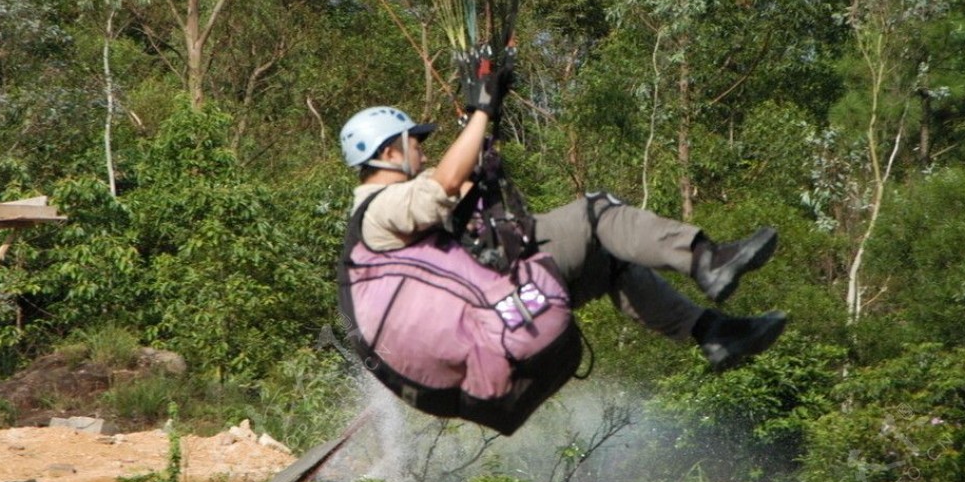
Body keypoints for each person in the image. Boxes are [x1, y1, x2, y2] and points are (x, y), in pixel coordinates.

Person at [335, 68, 788, 433]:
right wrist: (480, 111)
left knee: (612, 261)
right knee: (598, 214)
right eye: (414, 142)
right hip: (502, 315)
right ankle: (707, 261)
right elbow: (444, 185)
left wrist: (484, 130)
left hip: (491, 333)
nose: (421, 149)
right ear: (390, 153)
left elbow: (460, 192)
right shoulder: (380, 209)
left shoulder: (379, 235)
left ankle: (712, 332)